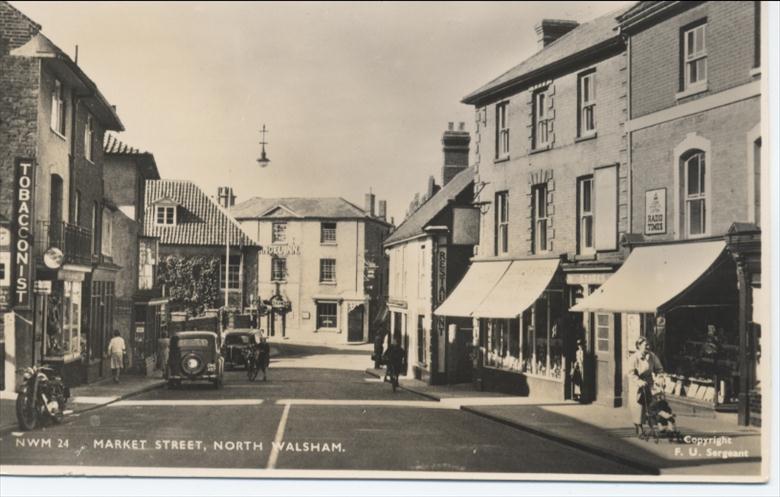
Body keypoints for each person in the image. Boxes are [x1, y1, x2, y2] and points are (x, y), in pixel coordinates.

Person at [628, 336, 664, 435]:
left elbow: (659, 369)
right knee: (638, 406)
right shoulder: (634, 358)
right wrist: (638, 381)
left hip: (649, 383)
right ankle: (638, 427)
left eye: (648, 344)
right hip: (637, 385)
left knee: (652, 406)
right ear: (639, 346)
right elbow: (631, 373)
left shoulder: (652, 356)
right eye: (645, 345)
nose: (648, 346)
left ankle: (654, 427)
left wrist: (660, 378)